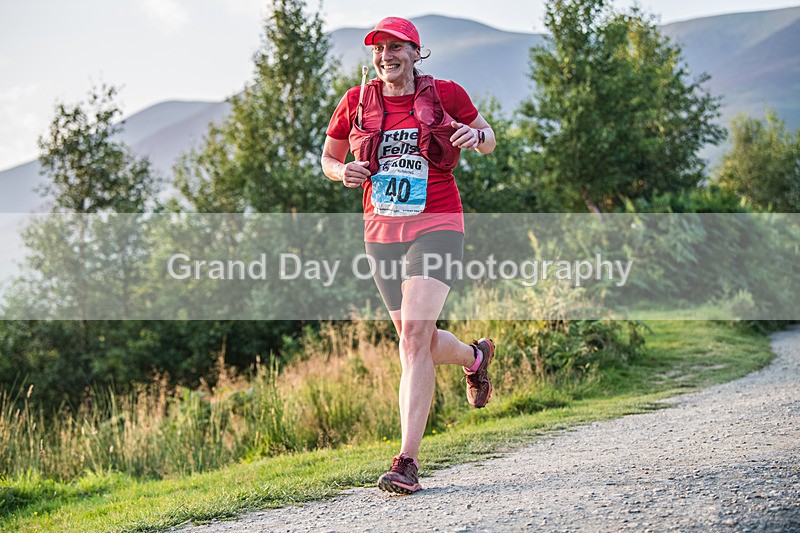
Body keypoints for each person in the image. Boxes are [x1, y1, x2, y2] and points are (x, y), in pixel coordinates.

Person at [321, 16, 497, 495]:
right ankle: (474, 357)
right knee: (414, 341)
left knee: (416, 337)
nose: (386, 57)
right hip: (381, 231)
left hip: (438, 223)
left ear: (417, 53)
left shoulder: (448, 94)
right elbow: (329, 157)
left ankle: (407, 461)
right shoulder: (355, 102)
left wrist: (473, 137)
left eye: (396, 48)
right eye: (379, 50)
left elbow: (488, 137)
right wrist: (343, 173)